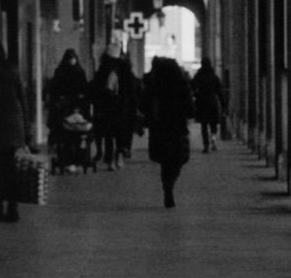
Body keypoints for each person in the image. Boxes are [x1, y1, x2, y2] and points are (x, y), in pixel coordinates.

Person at [143, 55, 195, 208]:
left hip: (159, 129)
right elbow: (190, 109)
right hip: (178, 128)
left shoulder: (154, 87)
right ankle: (169, 185)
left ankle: (167, 187)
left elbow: (144, 105)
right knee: (178, 160)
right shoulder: (181, 86)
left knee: (165, 161)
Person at [0, 41, 29, 222]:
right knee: (12, 169)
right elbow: (23, 101)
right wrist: (26, 130)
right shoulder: (12, 71)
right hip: (14, 127)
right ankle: (13, 209)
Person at [46, 48, 92, 173]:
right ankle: (72, 160)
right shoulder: (76, 72)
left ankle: (70, 160)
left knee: (69, 136)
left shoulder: (64, 72)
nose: (72, 60)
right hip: (69, 109)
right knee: (71, 136)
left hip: (70, 109)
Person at [90, 40, 134, 170]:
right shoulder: (124, 69)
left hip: (109, 107)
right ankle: (116, 157)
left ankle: (111, 159)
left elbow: (96, 89)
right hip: (119, 106)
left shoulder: (103, 69)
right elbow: (130, 89)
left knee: (110, 134)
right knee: (118, 134)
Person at [192, 56, 227, 152]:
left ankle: (206, 145)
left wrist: (196, 95)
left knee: (204, 125)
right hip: (212, 102)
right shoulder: (214, 76)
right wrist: (223, 104)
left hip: (202, 102)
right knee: (213, 124)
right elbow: (219, 92)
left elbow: (192, 86)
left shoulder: (198, 75)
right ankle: (213, 140)